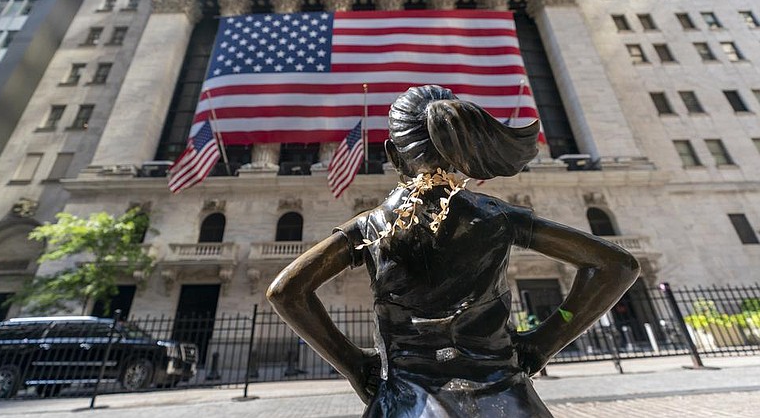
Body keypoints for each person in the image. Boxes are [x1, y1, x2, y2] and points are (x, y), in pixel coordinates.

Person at [267, 85, 640, 417]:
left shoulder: (372, 227)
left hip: (406, 400)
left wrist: (354, 365)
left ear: (393, 156)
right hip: (506, 398)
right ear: (463, 150)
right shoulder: (497, 217)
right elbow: (617, 266)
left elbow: (286, 291)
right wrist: (545, 341)